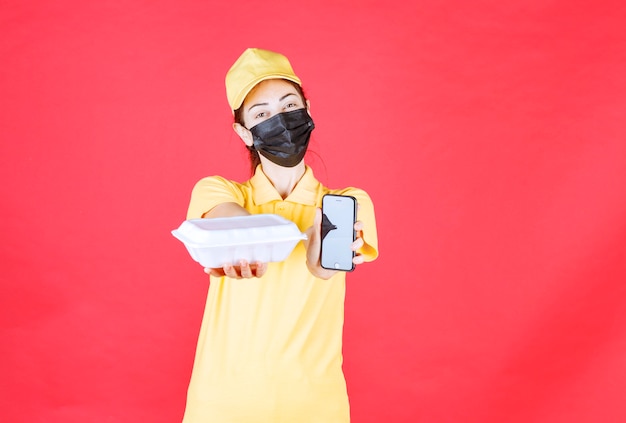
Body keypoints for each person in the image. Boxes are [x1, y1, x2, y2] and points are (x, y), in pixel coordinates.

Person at [181, 48, 379, 423]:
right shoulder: (218, 191)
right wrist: (256, 240)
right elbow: (232, 224)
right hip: (222, 405)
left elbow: (323, 267)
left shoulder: (348, 203)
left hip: (315, 407)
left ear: (308, 109)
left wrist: (315, 253)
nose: (281, 121)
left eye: (289, 106)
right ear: (243, 132)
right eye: (261, 114)